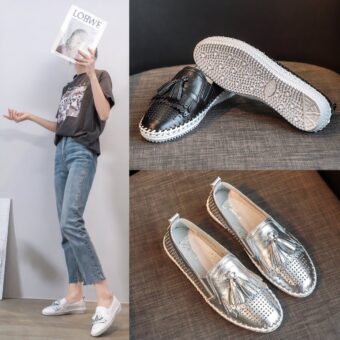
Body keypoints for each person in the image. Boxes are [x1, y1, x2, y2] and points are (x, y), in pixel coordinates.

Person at [3, 47, 120, 337]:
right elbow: (61, 126)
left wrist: (92, 72)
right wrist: (29, 117)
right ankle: (74, 295)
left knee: (71, 220)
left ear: (93, 55)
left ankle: (105, 295)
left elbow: (103, 115)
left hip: (82, 152)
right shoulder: (68, 87)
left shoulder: (101, 76)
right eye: (76, 54)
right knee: (65, 227)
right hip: (61, 152)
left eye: (86, 53)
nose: (79, 57)